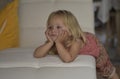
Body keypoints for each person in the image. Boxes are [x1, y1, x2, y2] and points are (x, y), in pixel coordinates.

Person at [33, 10, 119, 79]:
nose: (53, 30)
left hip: (93, 45)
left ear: (70, 30)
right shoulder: (54, 40)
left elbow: (68, 59)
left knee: (106, 70)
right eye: (50, 27)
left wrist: (58, 43)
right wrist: (50, 42)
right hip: (63, 42)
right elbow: (37, 54)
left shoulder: (76, 41)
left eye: (58, 27)